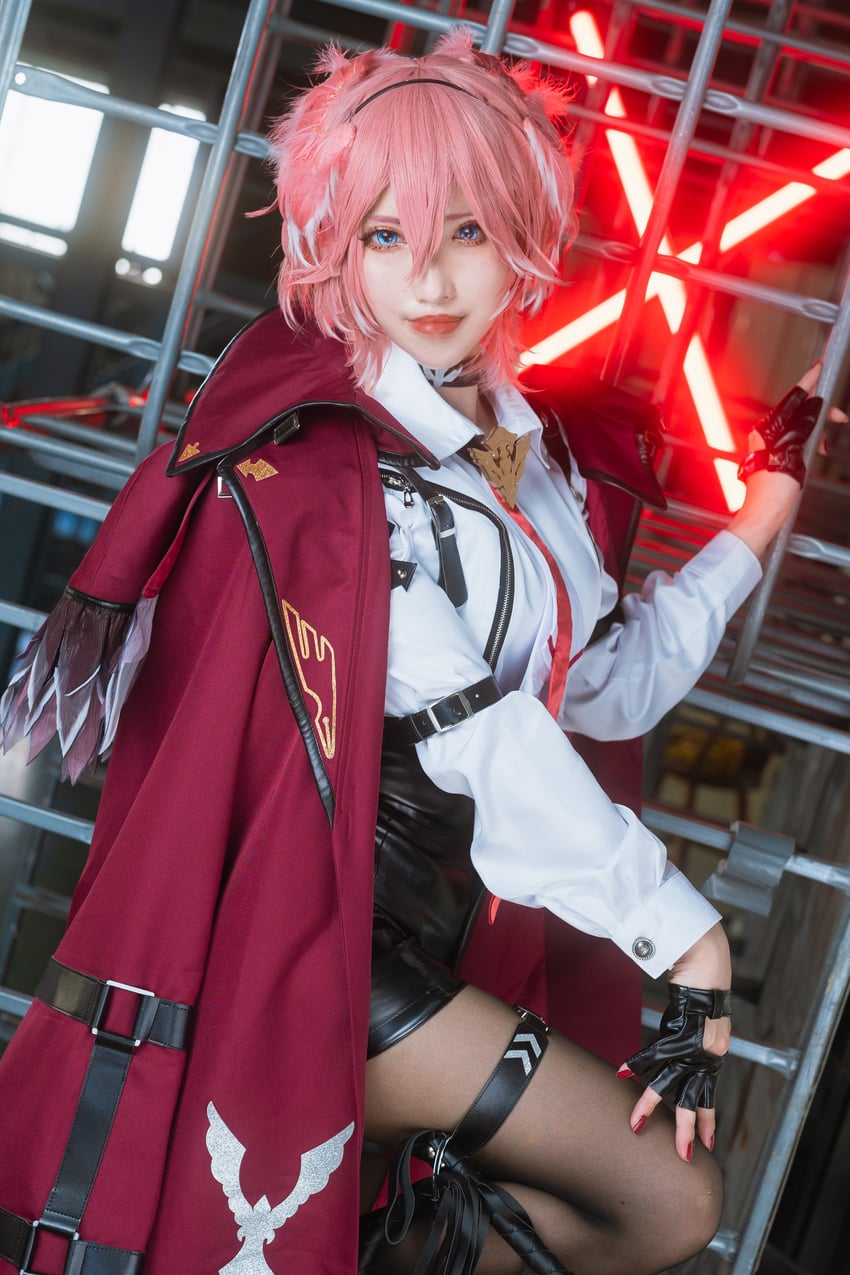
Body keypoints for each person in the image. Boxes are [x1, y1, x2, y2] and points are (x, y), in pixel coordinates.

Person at [0, 29, 837, 1275]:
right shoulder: (339, 484)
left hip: (432, 950)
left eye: (467, 231)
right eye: (384, 236)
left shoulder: (524, 463)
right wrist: (684, 939)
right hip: (325, 957)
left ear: (526, 233)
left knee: (635, 1212)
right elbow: (479, 733)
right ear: (334, 246)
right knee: (662, 1205)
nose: (428, 279)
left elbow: (599, 692)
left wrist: (761, 515)